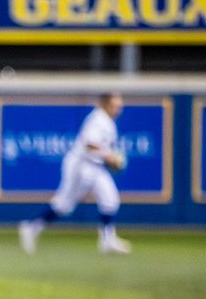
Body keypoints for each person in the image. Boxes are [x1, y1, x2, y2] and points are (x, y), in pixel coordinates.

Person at [18, 92, 132, 255]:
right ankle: (31, 227)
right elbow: (90, 144)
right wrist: (111, 157)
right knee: (64, 205)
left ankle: (107, 240)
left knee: (110, 199)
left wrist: (111, 159)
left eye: (119, 106)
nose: (118, 109)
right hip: (81, 165)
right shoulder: (98, 119)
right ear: (105, 104)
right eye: (115, 105)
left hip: (95, 166)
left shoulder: (108, 121)